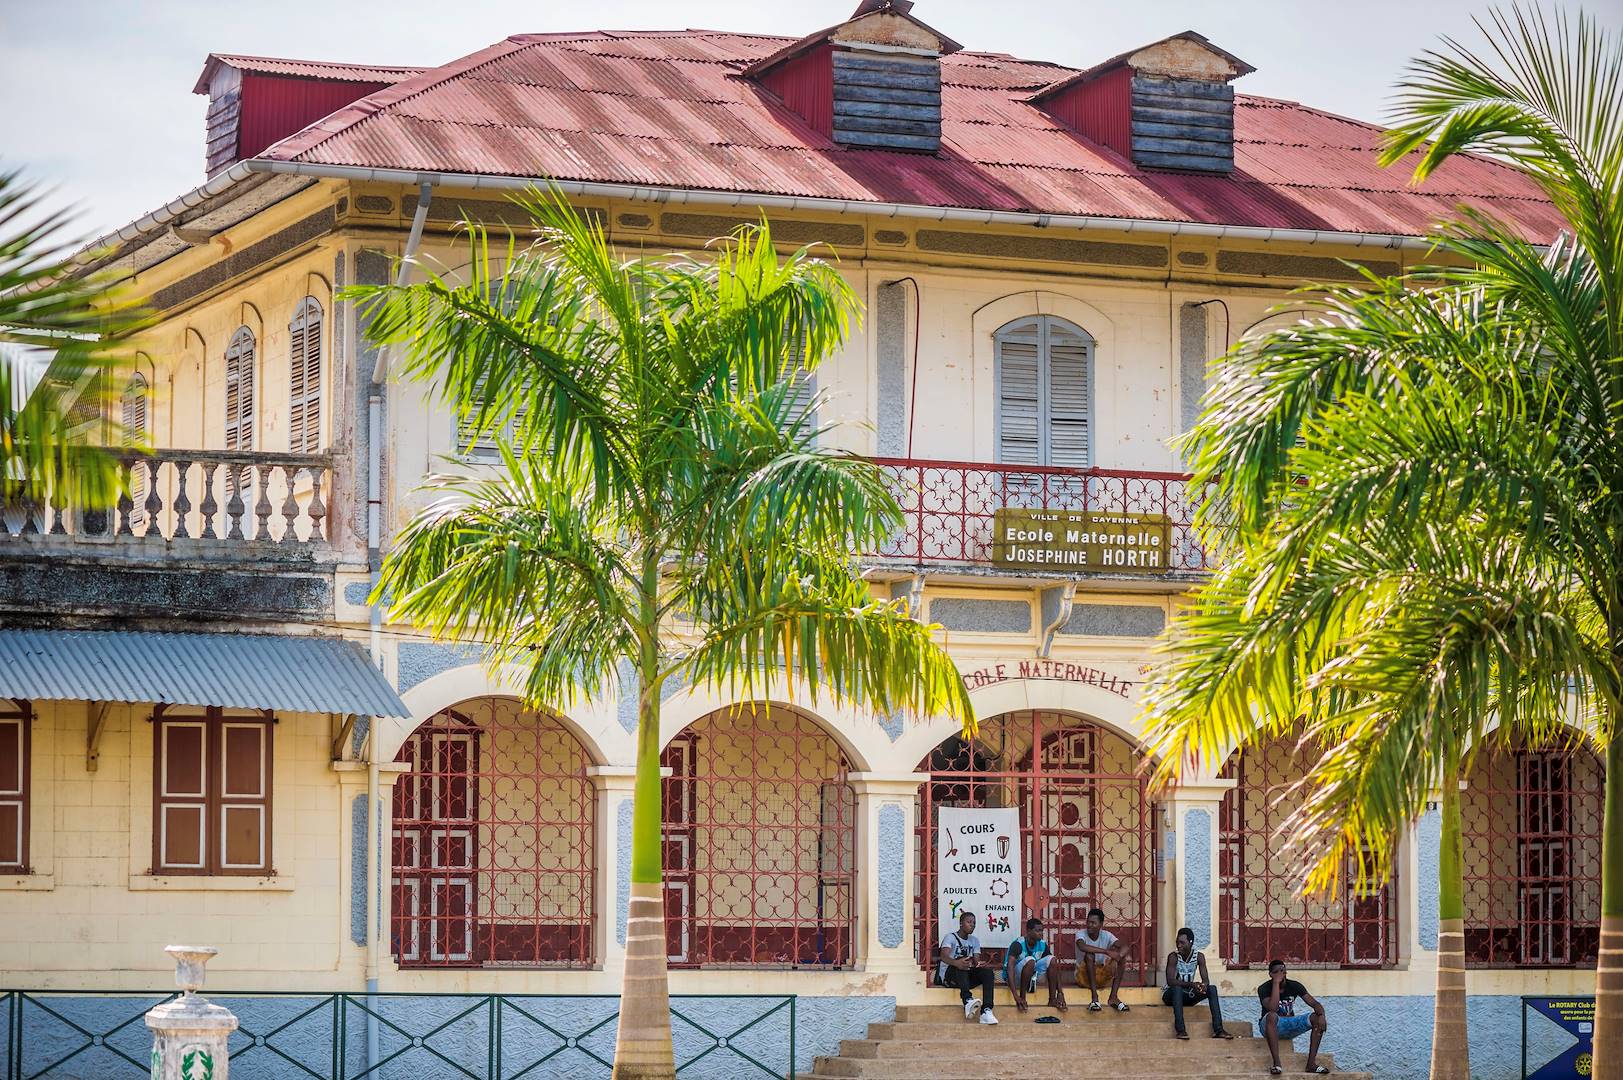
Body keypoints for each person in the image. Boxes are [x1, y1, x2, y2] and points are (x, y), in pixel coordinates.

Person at [1257, 959, 1330, 1075]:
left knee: (1316, 1018)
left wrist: (1322, 1015)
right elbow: (1273, 1008)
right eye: (1277, 971)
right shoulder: (1263, 988)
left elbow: (1315, 1004)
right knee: (1271, 1016)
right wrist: (1276, 983)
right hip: (1269, 1026)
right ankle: (1277, 1064)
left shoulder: (1295, 986)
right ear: (1270, 974)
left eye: (1283, 970)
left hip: (1290, 1024)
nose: (1281, 973)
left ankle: (1311, 1064)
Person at [1162, 927, 1234, 1040]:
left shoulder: (1199, 956)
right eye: (1177, 942)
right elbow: (1170, 981)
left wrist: (1203, 986)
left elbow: (1206, 980)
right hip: (1171, 996)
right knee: (1176, 989)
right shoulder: (1173, 957)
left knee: (1212, 989)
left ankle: (1219, 1030)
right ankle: (1181, 1030)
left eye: (1182, 942)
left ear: (1191, 942)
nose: (1179, 945)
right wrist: (1192, 985)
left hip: (1187, 995)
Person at [938, 911, 999, 1024]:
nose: (972, 925)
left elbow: (976, 962)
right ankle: (967, 1000)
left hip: (965, 978)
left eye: (974, 923)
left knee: (988, 973)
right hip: (949, 977)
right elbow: (943, 957)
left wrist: (980, 964)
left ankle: (986, 1010)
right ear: (961, 923)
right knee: (962, 961)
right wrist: (957, 963)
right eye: (969, 922)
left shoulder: (974, 940)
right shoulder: (950, 937)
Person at [1004, 916, 1067, 1013]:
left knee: (1052, 959)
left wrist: (1060, 992)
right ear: (1029, 931)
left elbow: (1053, 965)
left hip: (1030, 978)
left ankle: (1052, 999)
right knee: (1030, 960)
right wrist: (1016, 996)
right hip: (1014, 979)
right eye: (1038, 931)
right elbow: (1010, 968)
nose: (1041, 933)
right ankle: (1023, 998)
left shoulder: (1042, 944)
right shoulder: (1018, 944)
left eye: (1042, 930)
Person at [1074, 907, 1131, 1012]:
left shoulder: (1106, 935)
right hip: (1083, 977)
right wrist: (1106, 951)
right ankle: (1094, 999)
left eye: (1093, 923)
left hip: (1102, 977)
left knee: (1122, 959)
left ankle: (1113, 997)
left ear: (1101, 925)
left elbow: (1125, 946)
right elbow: (1082, 946)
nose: (1089, 925)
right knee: (1089, 955)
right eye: (1088, 922)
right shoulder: (1081, 933)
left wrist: (1116, 958)